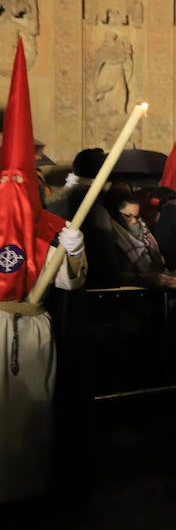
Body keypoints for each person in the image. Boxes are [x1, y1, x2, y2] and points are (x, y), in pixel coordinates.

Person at [1, 37, 88, 504]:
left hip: (35, 324)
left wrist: (72, 251)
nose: (28, 182)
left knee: (32, 415)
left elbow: (69, 280)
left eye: (32, 177)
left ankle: (29, 493)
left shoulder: (50, 222)